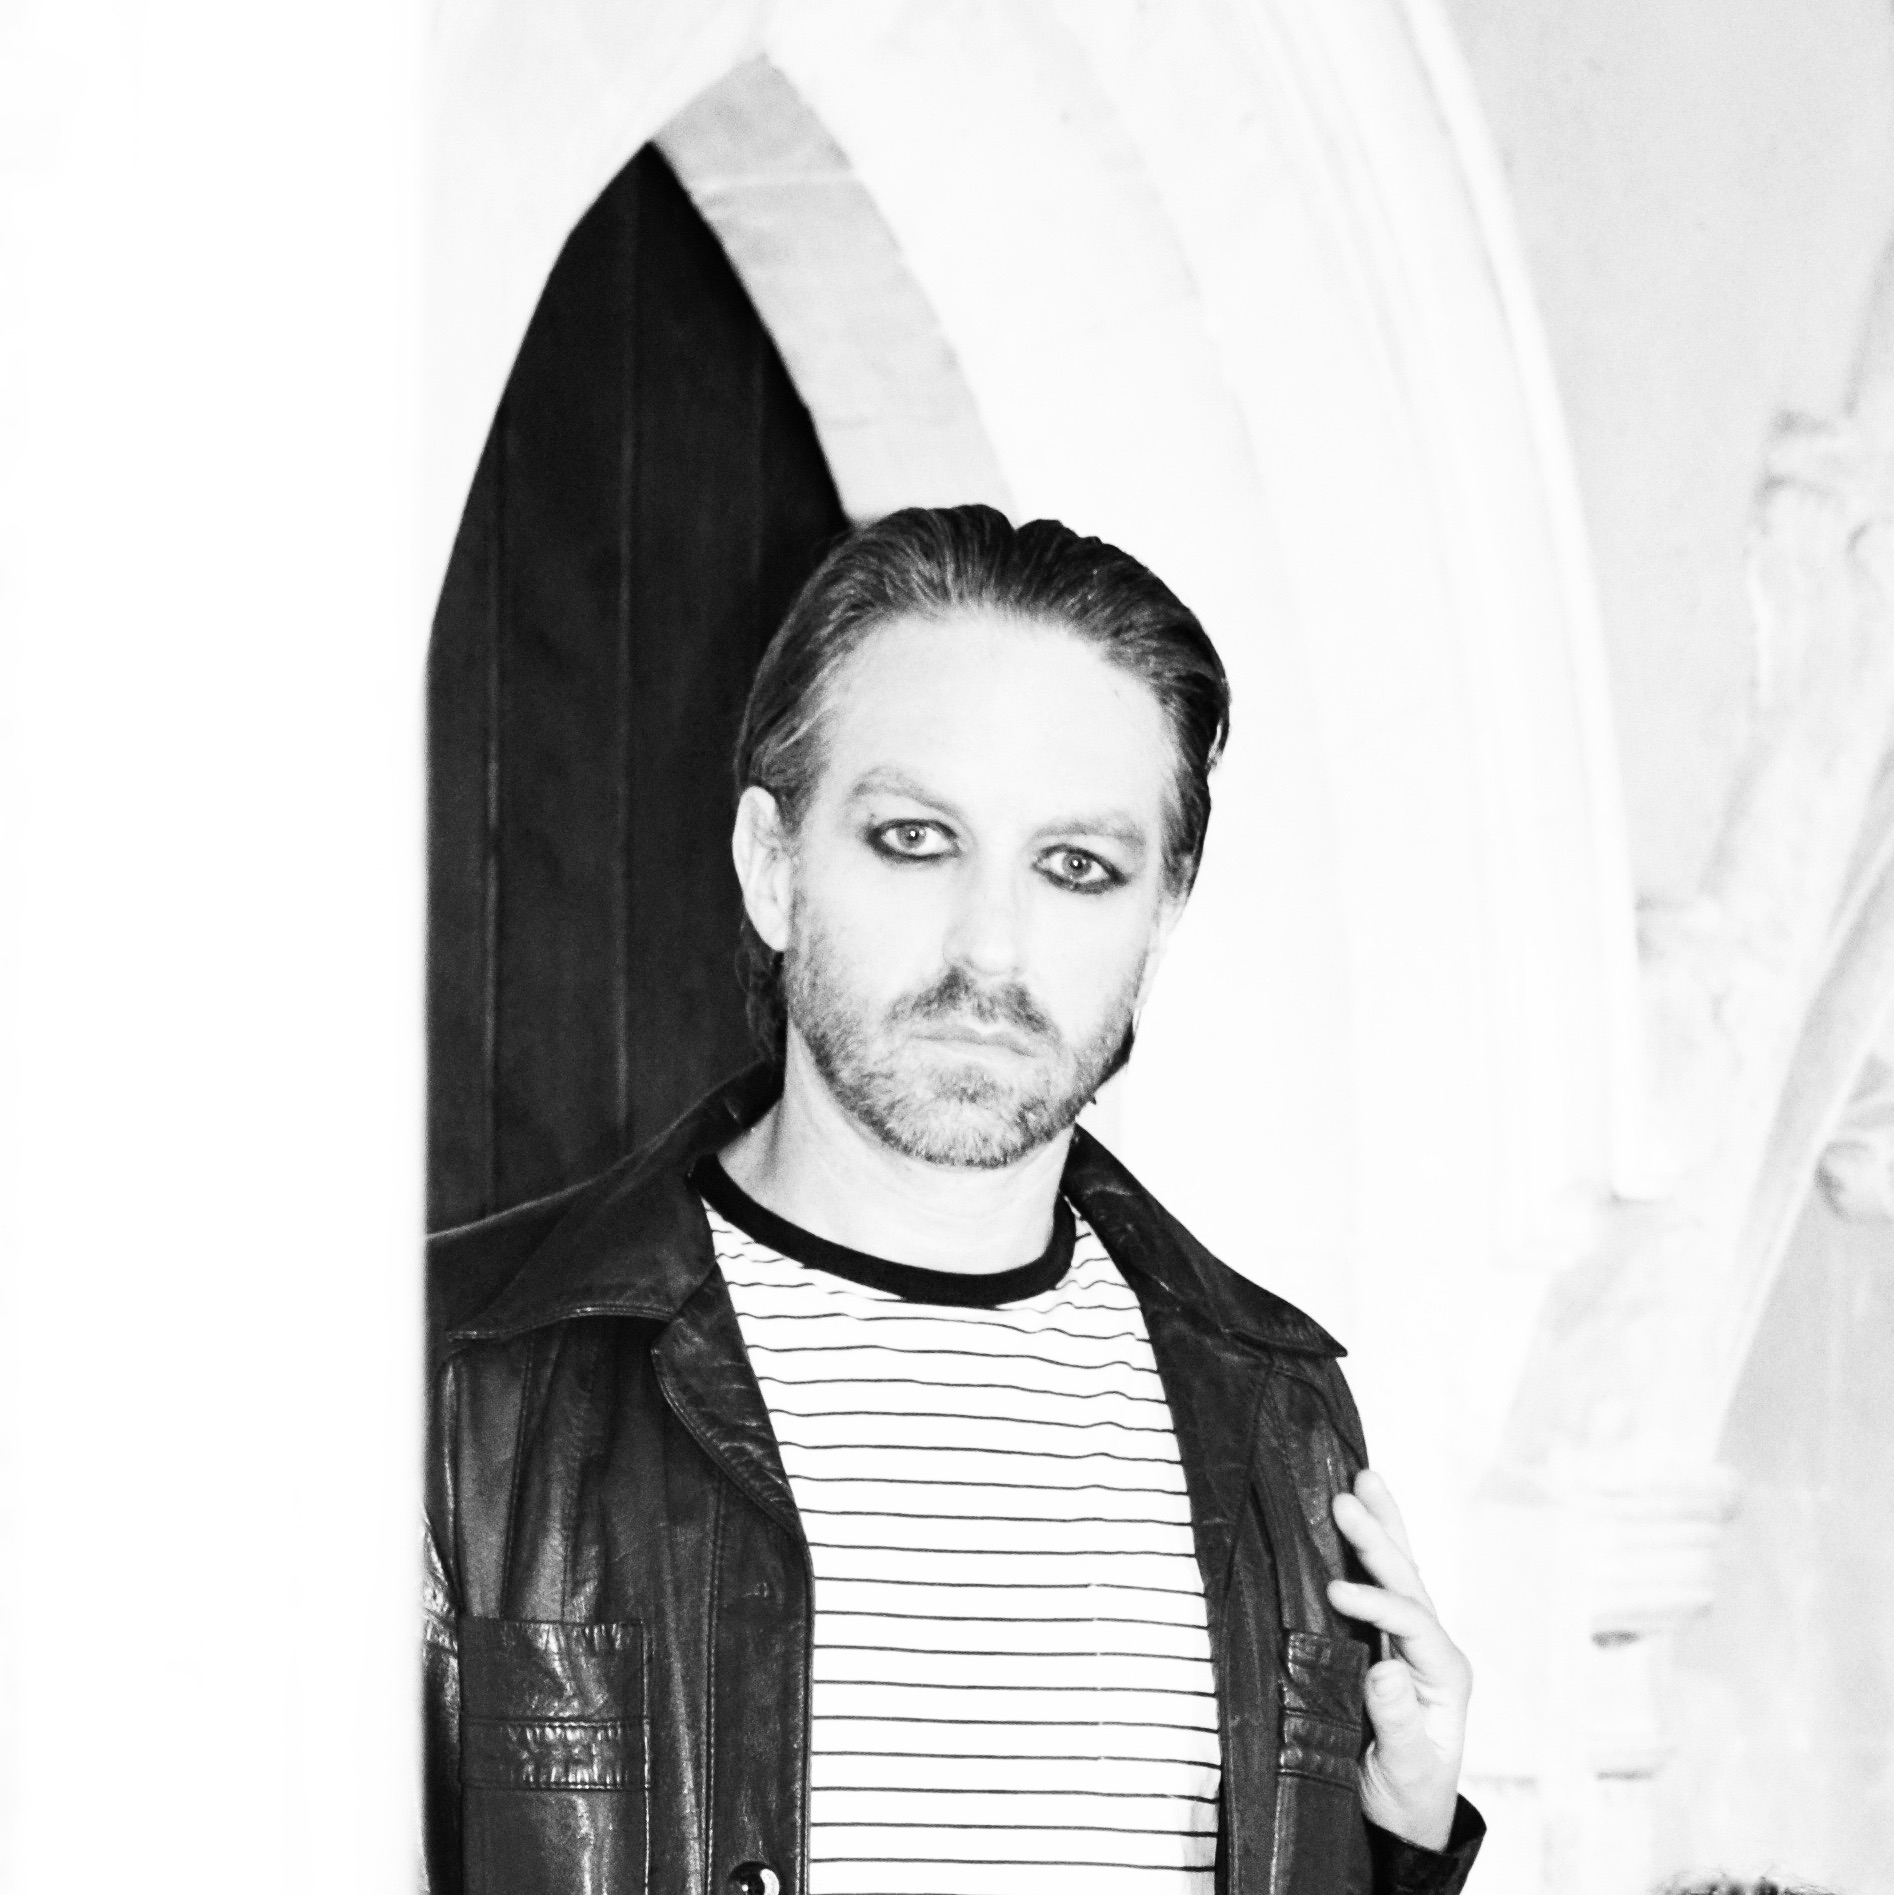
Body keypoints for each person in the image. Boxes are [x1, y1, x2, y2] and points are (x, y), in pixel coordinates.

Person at [424, 506, 1484, 1895]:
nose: (990, 948)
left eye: (1077, 866)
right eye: (916, 839)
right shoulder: (462, 1374)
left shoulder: (1278, 1413)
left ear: (1160, 921)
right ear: (772, 866)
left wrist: (1398, 1847)